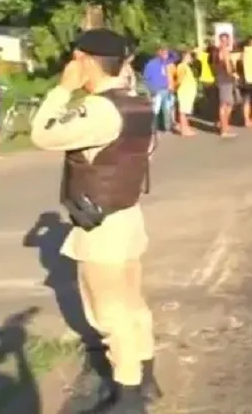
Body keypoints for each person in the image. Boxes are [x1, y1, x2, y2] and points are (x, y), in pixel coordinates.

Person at [29, 28, 160, 414]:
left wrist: (61, 90)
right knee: (132, 303)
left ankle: (129, 396)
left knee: (108, 312)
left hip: (101, 224)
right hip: (126, 214)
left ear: (86, 61)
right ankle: (145, 375)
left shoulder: (99, 109)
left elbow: (42, 134)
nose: (71, 65)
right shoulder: (135, 104)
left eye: (75, 59)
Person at [142, 47, 173, 131]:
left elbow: (175, 56)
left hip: (166, 89)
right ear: (159, 53)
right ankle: (153, 127)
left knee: (166, 108)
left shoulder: (165, 63)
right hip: (157, 90)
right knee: (156, 109)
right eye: (165, 53)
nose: (166, 56)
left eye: (167, 54)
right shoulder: (151, 64)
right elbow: (146, 78)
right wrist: (152, 89)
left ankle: (166, 127)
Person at [213, 33, 237, 137]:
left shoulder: (216, 52)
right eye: (224, 40)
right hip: (226, 79)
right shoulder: (225, 52)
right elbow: (228, 68)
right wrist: (233, 75)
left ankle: (224, 124)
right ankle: (224, 129)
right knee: (225, 104)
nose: (225, 42)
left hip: (220, 78)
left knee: (229, 103)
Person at [175, 50, 198, 136]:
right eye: (188, 56)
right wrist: (175, 88)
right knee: (183, 112)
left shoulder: (186, 66)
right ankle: (183, 131)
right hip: (184, 92)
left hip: (188, 92)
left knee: (186, 112)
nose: (190, 58)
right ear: (184, 57)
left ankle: (186, 128)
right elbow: (179, 80)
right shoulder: (181, 66)